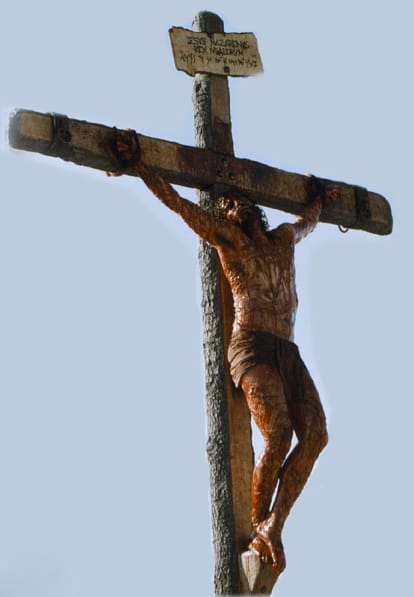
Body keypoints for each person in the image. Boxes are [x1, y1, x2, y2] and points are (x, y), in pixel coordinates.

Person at [112, 130, 330, 573]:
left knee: (317, 435)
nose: (236, 206)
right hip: (252, 347)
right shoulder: (229, 240)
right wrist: (140, 166)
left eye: (240, 201)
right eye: (228, 205)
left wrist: (320, 203)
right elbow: (181, 206)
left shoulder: (282, 239)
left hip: (287, 349)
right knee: (278, 434)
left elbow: (306, 223)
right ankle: (258, 525)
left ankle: (274, 524)